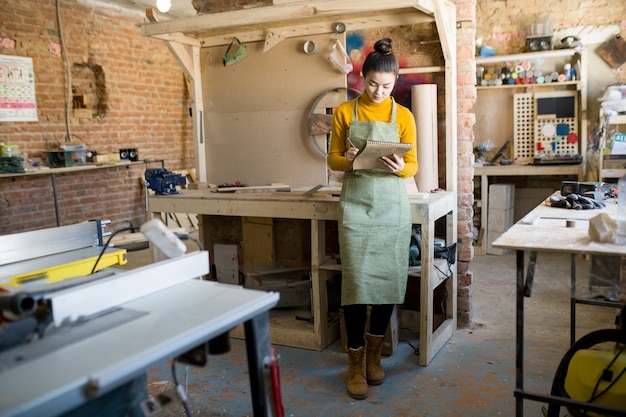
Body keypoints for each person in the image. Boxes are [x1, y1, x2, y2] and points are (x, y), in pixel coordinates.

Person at [327, 37, 418, 400]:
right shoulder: (346, 113)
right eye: (373, 84)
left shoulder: (405, 116)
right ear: (361, 78)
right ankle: (354, 361)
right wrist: (348, 158)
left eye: (387, 85)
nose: (380, 92)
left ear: (394, 82)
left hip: (391, 207)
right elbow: (332, 159)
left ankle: (374, 355)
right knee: (355, 286)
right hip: (357, 206)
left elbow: (414, 163)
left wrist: (401, 167)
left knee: (385, 282)